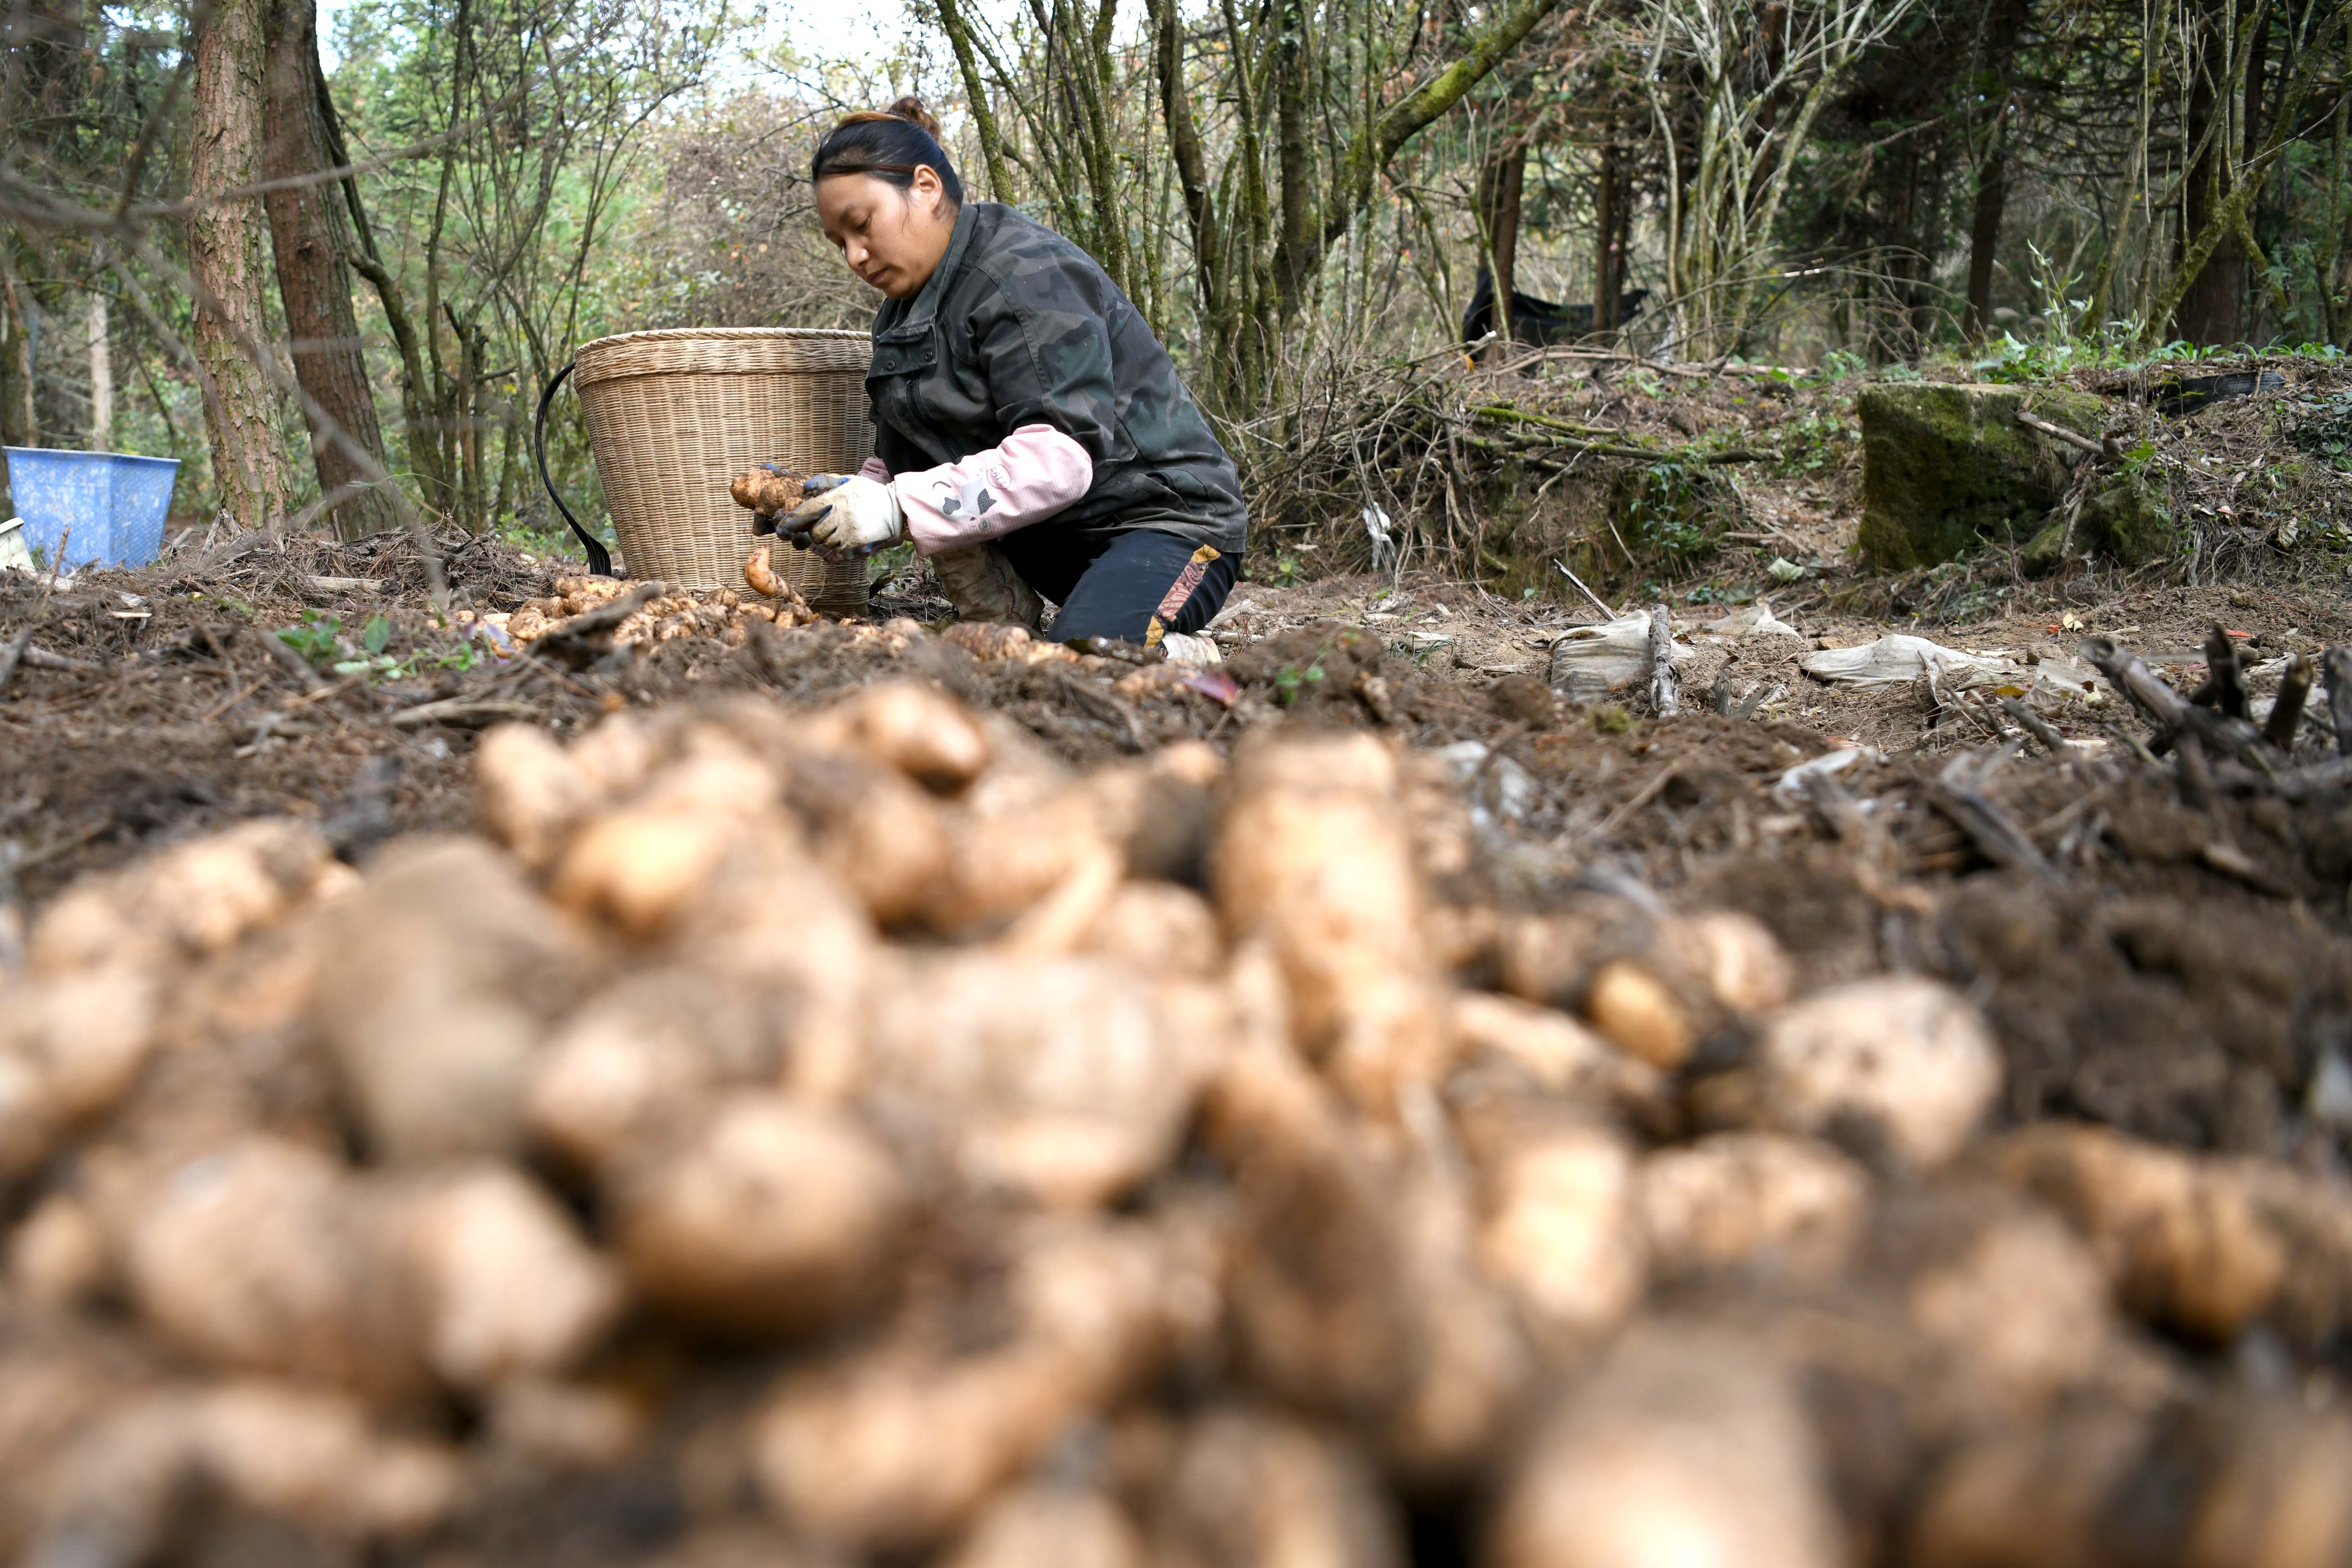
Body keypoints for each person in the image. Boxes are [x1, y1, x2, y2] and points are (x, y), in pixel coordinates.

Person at [781, 98, 1246, 651]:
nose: (855, 256)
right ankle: (1005, 619)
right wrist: (840, 506)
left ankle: (1179, 657)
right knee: (1006, 662)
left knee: (1085, 662)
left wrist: (894, 507)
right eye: (840, 244)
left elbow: (1058, 462)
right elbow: (904, 455)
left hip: (1165, 526)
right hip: (1055, 540)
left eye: (861, 226)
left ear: (926, 187)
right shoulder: (900, 314)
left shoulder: (1022, 274)